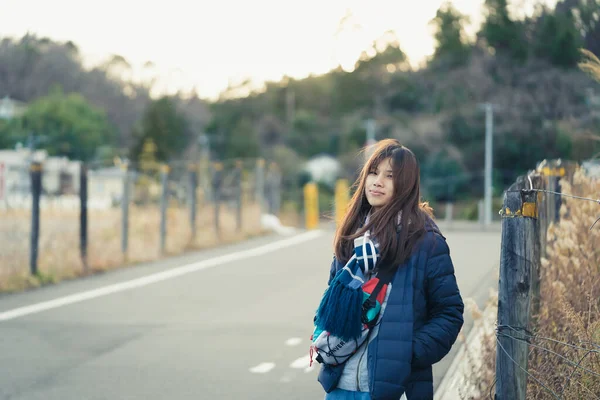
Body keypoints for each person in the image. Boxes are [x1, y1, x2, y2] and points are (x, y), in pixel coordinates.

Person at [311, 139, 464, 400]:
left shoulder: (425, 241)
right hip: (341, 385)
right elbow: (330, 298)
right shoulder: (353, 235)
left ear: (405, 185)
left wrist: (407, 353)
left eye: (389, 176)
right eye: (373, 172)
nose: (377, 181)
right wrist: (321, 334)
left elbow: (450, 312)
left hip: (393, 388)